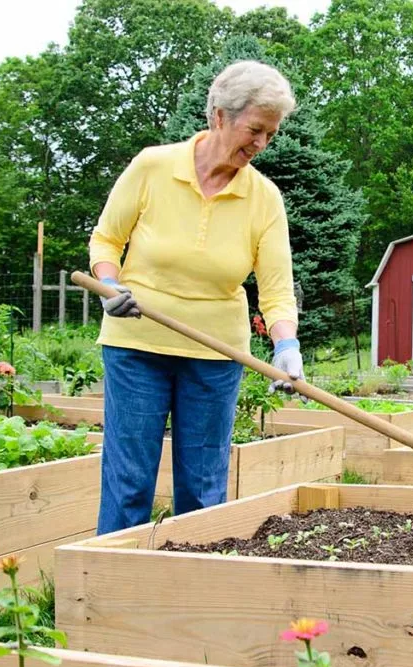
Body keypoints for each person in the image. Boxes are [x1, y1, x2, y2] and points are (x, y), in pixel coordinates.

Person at [88, 60, 304, 535]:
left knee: (204, 487)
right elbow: (106, 241)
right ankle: (112, 594)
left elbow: (276, 289)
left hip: (215, 354)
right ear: (219, 116)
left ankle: (191, 593)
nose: (261, 144)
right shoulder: (153, 166)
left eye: (271, 134)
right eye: (254, 129)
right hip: (135, 343)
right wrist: (110, 284)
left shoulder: (263, 198)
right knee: (129, 480)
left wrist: (286, 346)